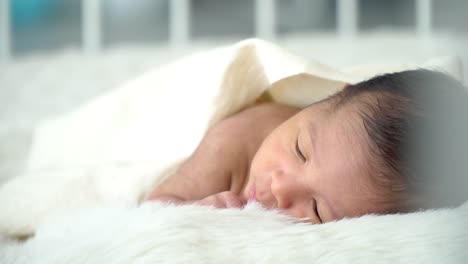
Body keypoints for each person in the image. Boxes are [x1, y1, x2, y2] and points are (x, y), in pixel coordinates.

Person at [148, 69, 468, 224]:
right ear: (332, 95)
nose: (281, 187)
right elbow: (155, 206)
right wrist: (199, 211)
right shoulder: (236, 139)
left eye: (316, 209)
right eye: (299, 150)